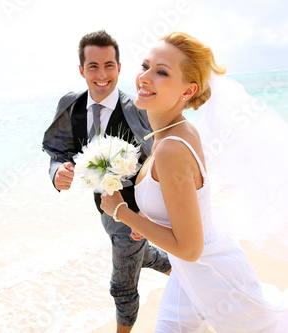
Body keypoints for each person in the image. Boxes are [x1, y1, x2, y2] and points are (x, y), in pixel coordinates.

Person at [101, 31, 288, 332]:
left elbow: (190, 248)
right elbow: (184, 209)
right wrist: (147, 223)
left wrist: (122, 213)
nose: (145, 77)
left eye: (162, 72)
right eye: (145, 65)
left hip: (215, 278)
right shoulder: (177, 132)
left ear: (187, 92)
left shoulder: (172, 147)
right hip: (187, 276)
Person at [42, 30, 171, 332]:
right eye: (93, 66)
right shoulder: (71, 105)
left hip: (134, 213)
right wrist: (58, 170)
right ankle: (189, 273)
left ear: (119, 67)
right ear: (81, 70)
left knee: (122, 287)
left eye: (109, 65)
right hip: (104, 211)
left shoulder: (138, 109)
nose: (102, 75)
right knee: (146, 256)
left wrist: (148, 216)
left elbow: (162, 162)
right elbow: (58, 149)